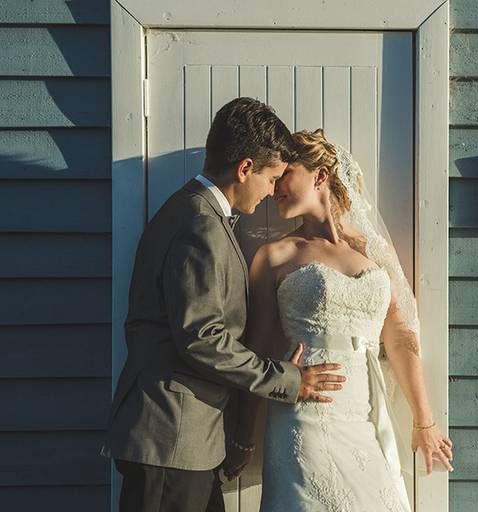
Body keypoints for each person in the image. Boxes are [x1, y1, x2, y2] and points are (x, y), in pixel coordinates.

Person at [100, 99, 346, 512]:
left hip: (187, 442)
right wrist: (288, 380)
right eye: (271, 178)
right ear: (245, 168)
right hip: (171, 439)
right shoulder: (201, 224)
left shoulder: (194, 212)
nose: (272, 192)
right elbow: (202, 338)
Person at [223, 129, 453, 511]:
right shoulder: (275, 255)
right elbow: (259, 347)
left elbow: (399, 337)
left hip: (363, 418)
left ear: (320, 176)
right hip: (305, 415)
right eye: (273, 177)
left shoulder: (371, 250)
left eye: (286, 173)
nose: (276, 185)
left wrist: (424, 421)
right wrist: (244, 437)